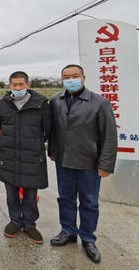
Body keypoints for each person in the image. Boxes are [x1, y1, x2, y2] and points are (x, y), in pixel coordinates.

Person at [49, 64, 117, 263]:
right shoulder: (55, 100)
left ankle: (88, 238)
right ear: (62, 80)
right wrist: (52, 150)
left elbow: (109, 136)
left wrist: (105, 164)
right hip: (64, 161)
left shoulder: (99, 103)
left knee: (89, 202)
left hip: (89, 162)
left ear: (83, 78)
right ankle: (68, 231)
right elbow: (53, 128)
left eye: (75, 76)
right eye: (67, 77)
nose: (71, 79)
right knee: (65, 198)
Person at [0, 71, 51, 244]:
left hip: (32, 156)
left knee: (30, 193)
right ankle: (14, 221)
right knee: (11, 192)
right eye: (14, 85)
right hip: (9, 155)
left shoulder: (40, 104)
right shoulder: (2, 105)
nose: (17, 88)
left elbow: (47, 130)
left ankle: (29, 224)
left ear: (28, 84)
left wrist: (32, 143)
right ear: (10, 85)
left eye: (21, 84)